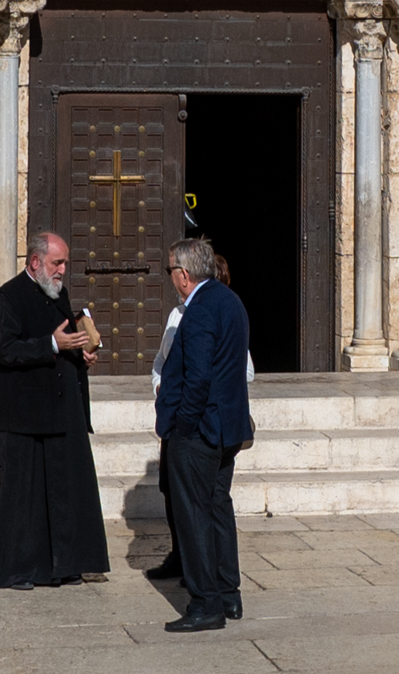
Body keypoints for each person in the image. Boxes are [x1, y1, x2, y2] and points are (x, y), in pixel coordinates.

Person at [0, 229, 109, 590]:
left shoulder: (58, 293)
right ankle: (20, 569)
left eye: (65, 263)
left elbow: (64, 339)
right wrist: (53, 343)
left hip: (62, 410)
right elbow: (6, 350)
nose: (63, 270)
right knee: (25, 498)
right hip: (26, 414)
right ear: (35, 262)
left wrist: (80, 351)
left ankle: (66, 565)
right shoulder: (9, 297)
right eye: (57, 262)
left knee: (65, 491)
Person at [152, 236, 253, 633]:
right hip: (227, 429)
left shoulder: (198, 311)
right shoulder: (230, 301)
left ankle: (205, 603)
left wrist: (183, 427)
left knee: (193, 515)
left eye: (170, 271)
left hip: (201, 432)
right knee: (216, 508)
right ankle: (228, 593)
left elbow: (198, 378)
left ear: (184, 274)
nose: (170, 278)